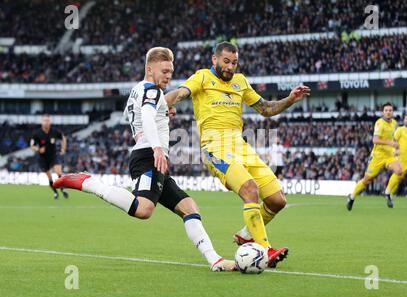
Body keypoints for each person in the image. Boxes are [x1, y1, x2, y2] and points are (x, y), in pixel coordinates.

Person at [53, 47, 235, 272]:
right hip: (149, 156)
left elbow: (143, 116)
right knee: (143, 209)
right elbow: (147, 116)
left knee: (188, 207)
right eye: (164, 71)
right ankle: (87, 182)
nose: (168, 76)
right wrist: (157, 147)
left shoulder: (138, 90)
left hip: (149, 154)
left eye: (171, 71)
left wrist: (163, 112)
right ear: (150, 69)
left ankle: (214, 260)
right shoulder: (152, 89)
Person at [165, 42, 311, 268]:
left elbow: (266, 109)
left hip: (241, 146)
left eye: (234, 63)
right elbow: (181, 93)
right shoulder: (202, 77)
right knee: (250, 190)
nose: (230, 67)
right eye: (226, 62)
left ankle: (246, 234)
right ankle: (265, 249)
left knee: (277, 200)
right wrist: (165, 103)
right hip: (214, 148)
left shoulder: (240, 81)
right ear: (214, 60)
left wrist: (290, 99)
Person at [347, 102, 403, 210]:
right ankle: (352, 196)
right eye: (386, 110)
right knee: (367, 180)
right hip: (377, 156)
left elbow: (394, 138)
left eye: (390, 110)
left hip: (389, 156)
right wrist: (391, 143)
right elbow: (375, 140)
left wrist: (396, 147)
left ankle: (387, 193)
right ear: (383, 112)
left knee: (399, 170)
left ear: (393, 112)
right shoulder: (379, 123)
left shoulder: (395, 123)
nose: (388, 112)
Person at [30, 114, 69, 200]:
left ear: (50, 122)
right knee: (50, 178)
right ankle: (55, 192)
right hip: (43, 158)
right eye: (44, 120)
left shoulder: (54, 131)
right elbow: (32, 146)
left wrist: (63, 148)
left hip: (53, 156)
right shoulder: (37, 134)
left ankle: (62, 189)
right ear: (42, 122)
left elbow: (63, 138)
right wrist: (38, 149)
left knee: (58, 172)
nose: (46, 122)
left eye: (47, 120)